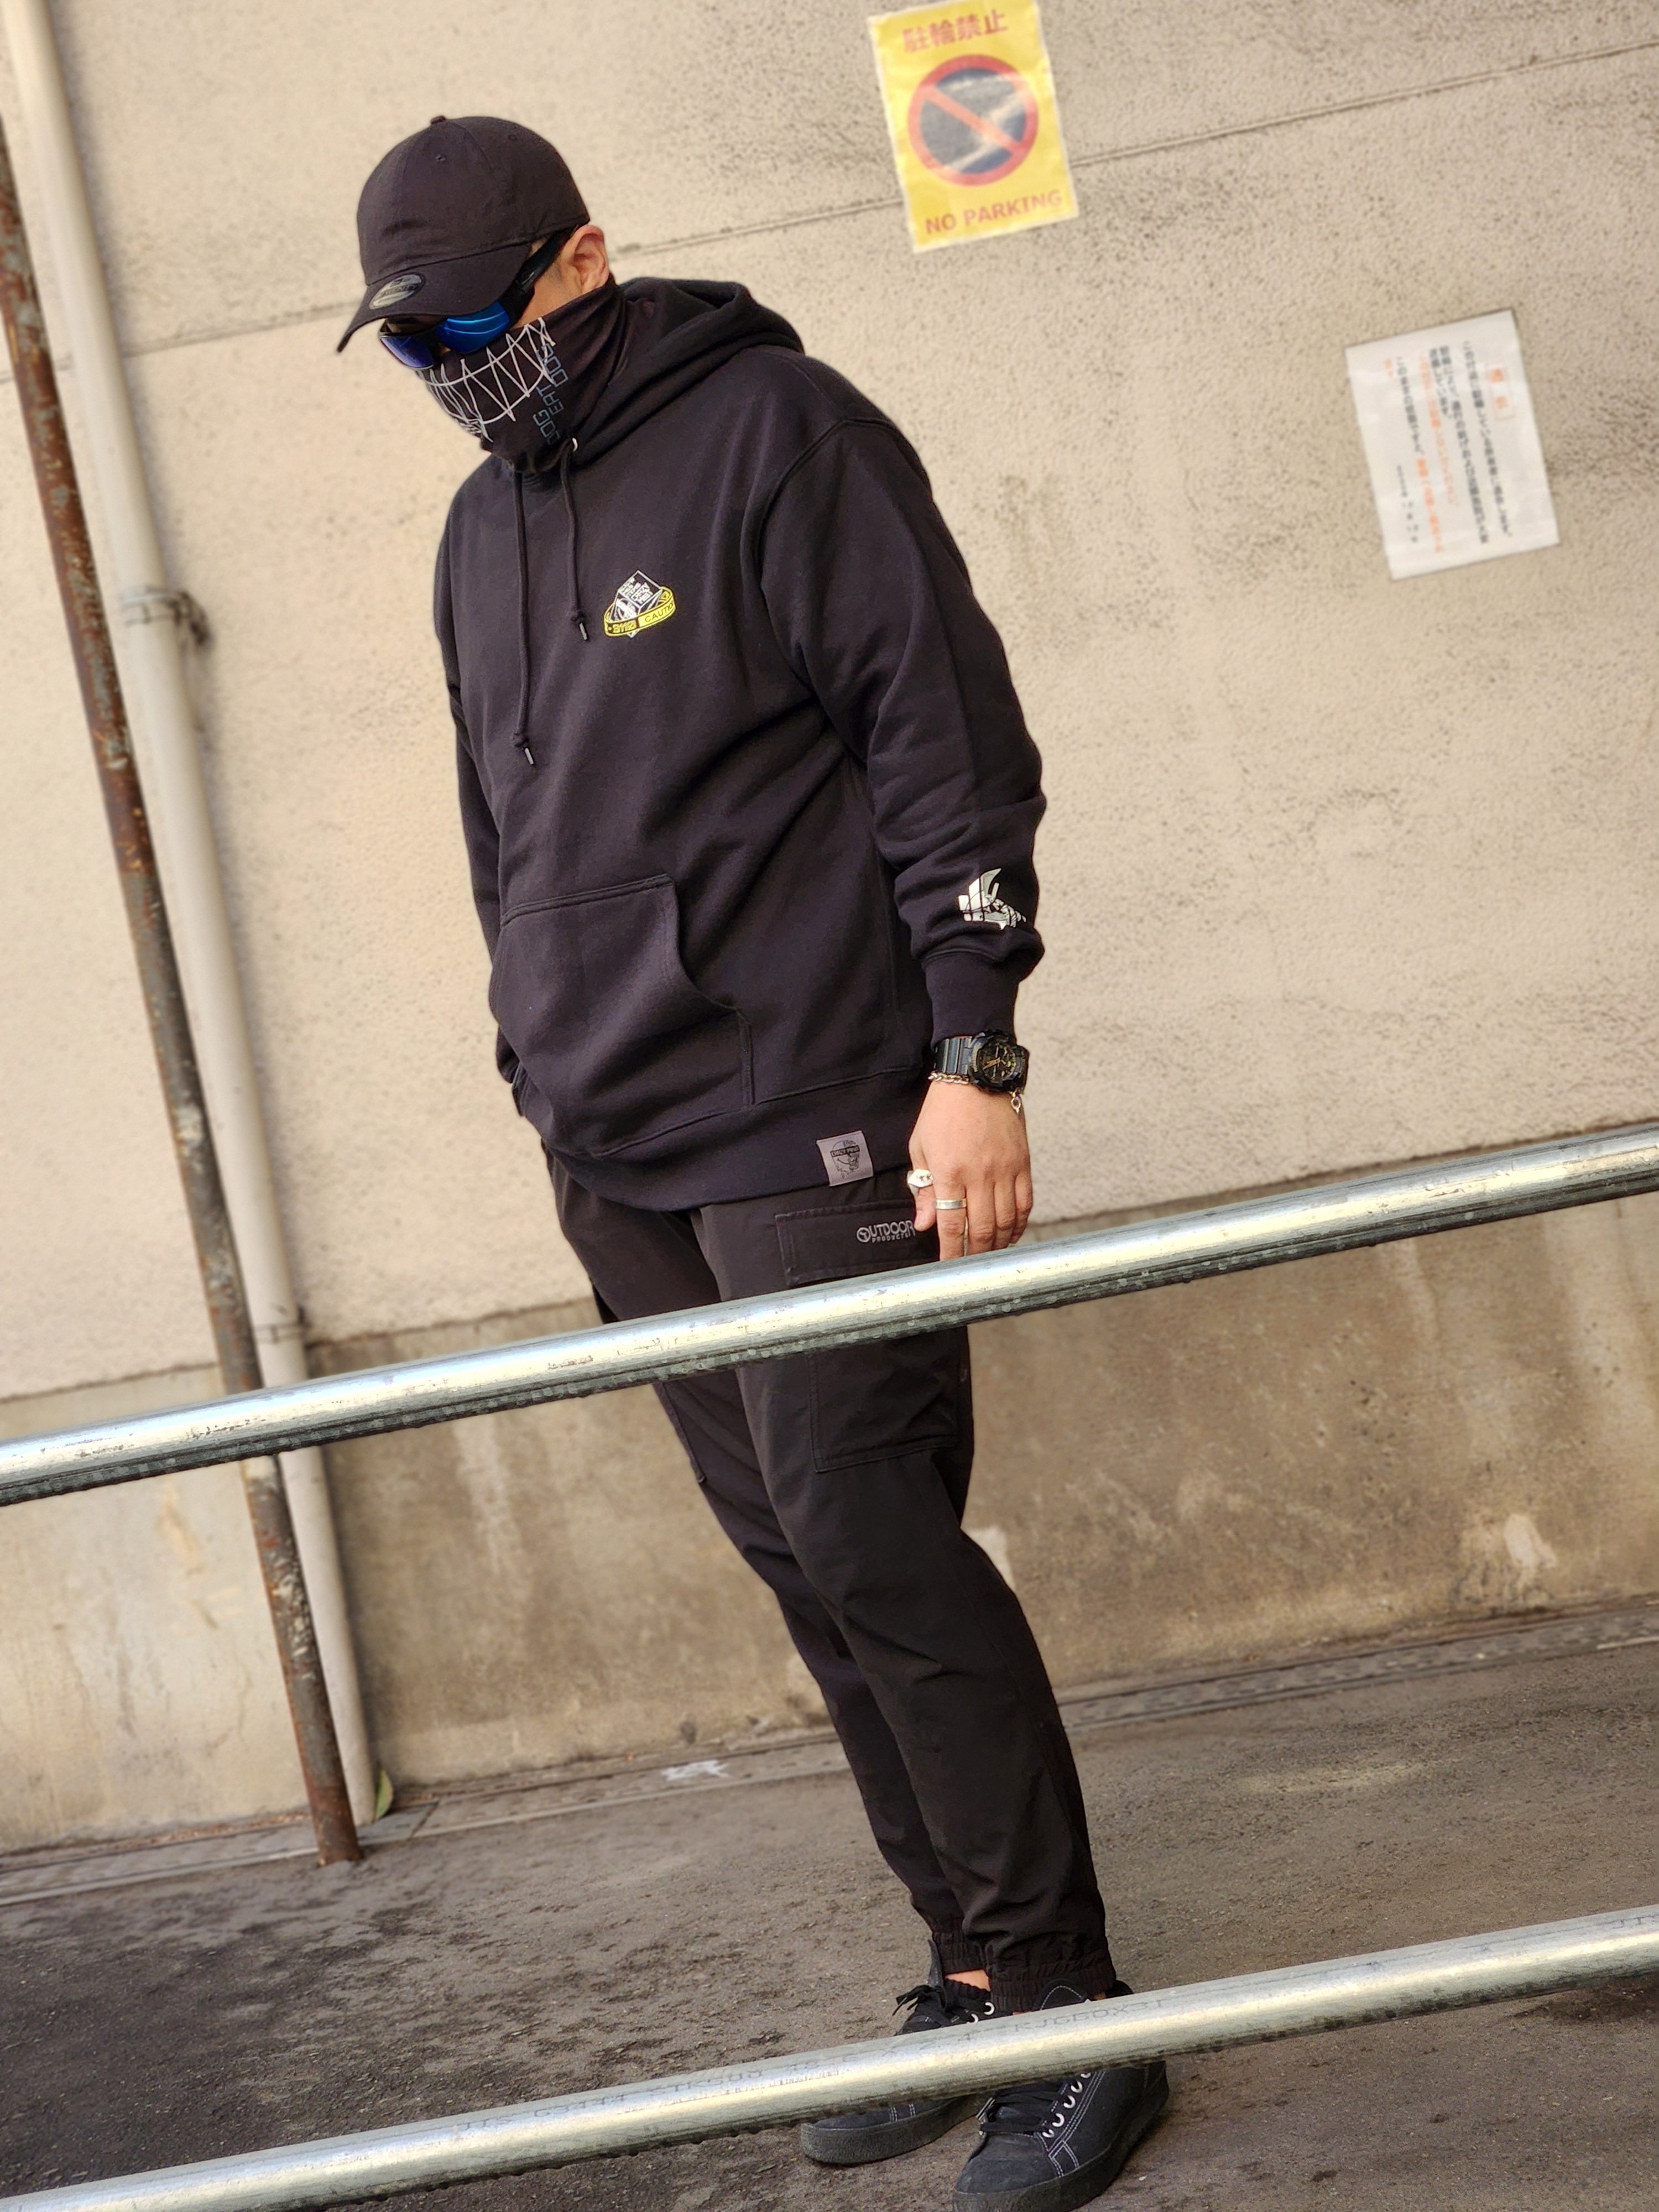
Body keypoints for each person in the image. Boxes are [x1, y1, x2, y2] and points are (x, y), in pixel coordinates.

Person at [341, 114, 1167, 2209]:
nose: (451, 371)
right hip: (617, 1146)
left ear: (581, 262)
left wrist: (974, 1050)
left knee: (876, 1540)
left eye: (471, 327)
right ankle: (972, 1968)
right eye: (412, 345)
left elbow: (947, 742)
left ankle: (1072, 2011)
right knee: (803, 1566)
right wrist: (534, 1058)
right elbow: (503, 832)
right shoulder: (478, 533)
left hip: (817, 1104)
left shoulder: (783, 435)